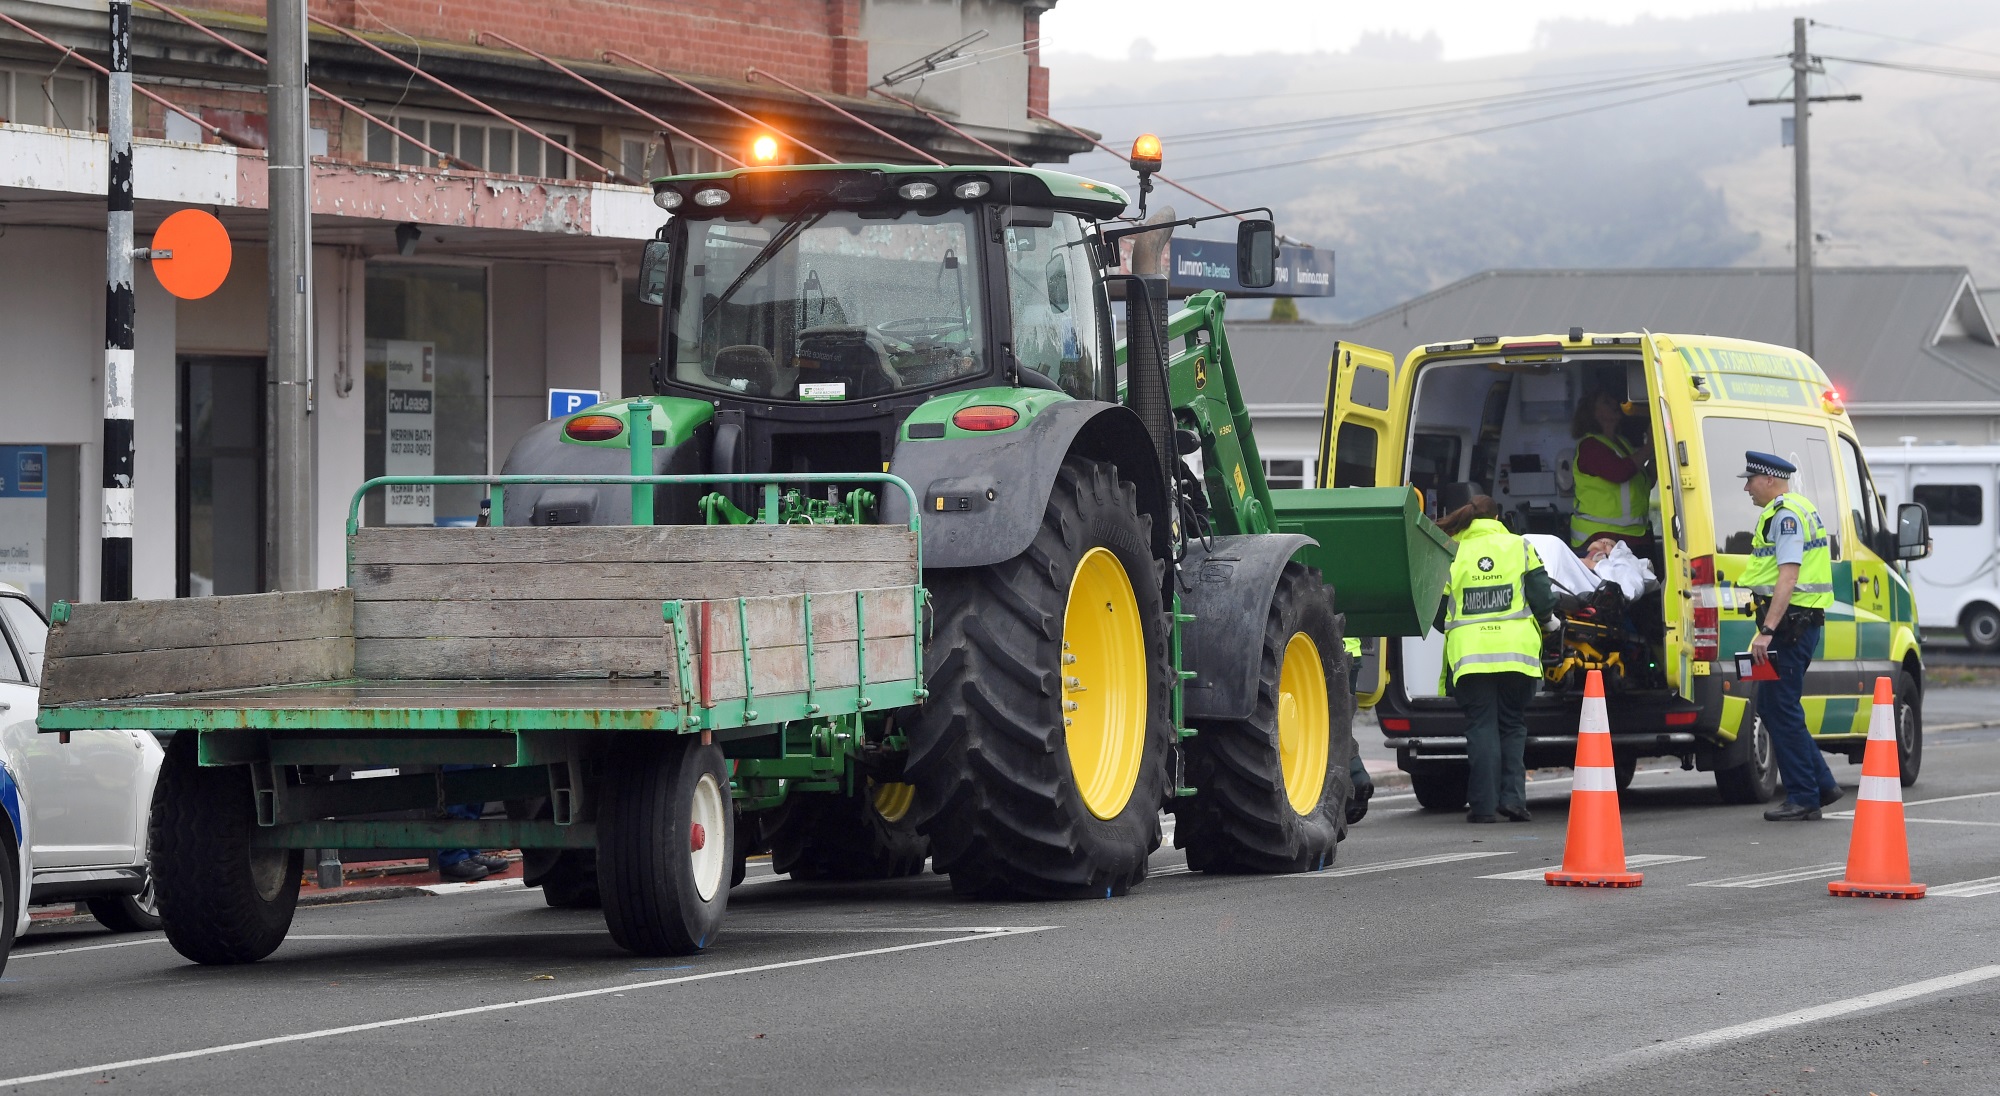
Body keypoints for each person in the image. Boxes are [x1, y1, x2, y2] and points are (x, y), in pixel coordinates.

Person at [1435, 495, 1558, 822]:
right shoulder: (1519, 546)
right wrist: (1549, 620)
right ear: (1499, 516)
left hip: (1471, 658)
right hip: (1517, 656)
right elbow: (1544, 598)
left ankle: (1483, 807)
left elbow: (1435, 611)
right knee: (1513, 724)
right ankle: (1514, 801)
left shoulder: (1452, 552)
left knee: (1481, 728)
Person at [1737, 452, 1846, 821]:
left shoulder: (1785, 516)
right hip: (1794, 626)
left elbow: (1788, 576)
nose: (1747, 487)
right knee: (1773, 706)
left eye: (1750, 479)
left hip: (1788, 629)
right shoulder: (1796, 507)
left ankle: (1804, 795)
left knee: (1780, 707)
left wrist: (1767, 631)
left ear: (1769, 480)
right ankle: (1822, 785)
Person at [1569, 388, 1654, 552]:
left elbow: (1641, 483)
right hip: (1601, 540)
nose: (1615, 404)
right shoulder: (1590, 446)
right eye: (1607, 402)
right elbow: (1620, 473)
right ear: (1593, 413)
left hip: (1632, 536)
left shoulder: (1621, 443)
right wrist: (1650, 446)